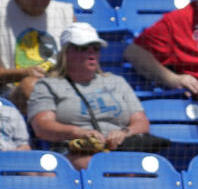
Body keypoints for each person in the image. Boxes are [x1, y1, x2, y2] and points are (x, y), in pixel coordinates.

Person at [27, 23, 151, 170]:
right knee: (98, 167)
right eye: (83, 48)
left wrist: (124, 133)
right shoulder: (48, 85)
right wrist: (78, 132)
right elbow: (42, 127)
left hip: (120, 150)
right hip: (74, 150)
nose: (91, 53)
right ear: (66, 52)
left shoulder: (117, 82)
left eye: (96, 48)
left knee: (140, 167)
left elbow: (142, 122)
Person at [0, 0, 74, 113]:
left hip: (61, 89)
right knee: (32, 87)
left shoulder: (65, 14)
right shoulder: (2, 13)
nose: (41, 2)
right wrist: (22, 73)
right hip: (12, 94)